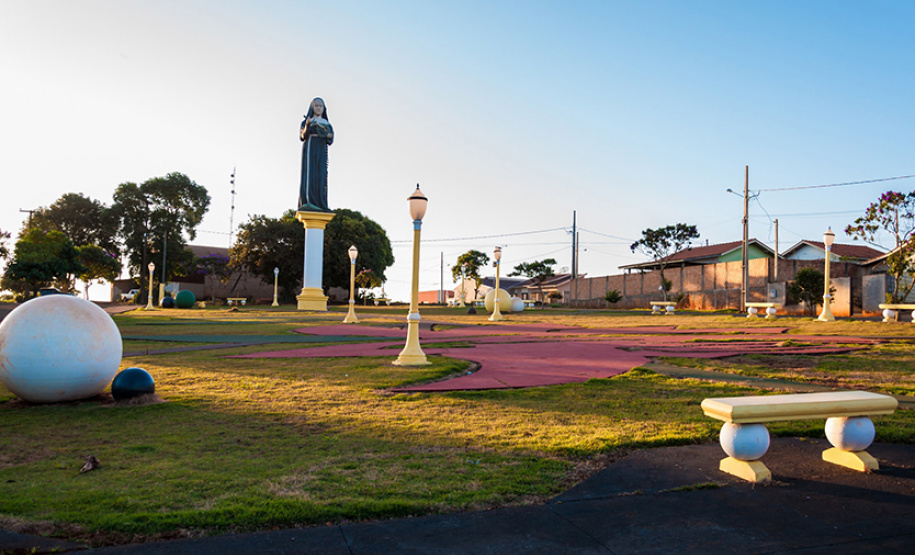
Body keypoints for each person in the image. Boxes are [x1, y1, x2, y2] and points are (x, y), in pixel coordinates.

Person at [298, 97, 334, 211]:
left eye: (320, 106)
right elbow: (302, 136)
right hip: (310, 149)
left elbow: (330, 139)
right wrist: (308, 125)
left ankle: (321, 203)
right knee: (310, 173)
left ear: (324, 109)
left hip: (321, 150)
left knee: (322, 175)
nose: (318, 108)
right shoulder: (306, 121)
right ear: (312, 108)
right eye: (316, 106)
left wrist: (325, 133)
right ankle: (309, 201)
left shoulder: (326, 123)